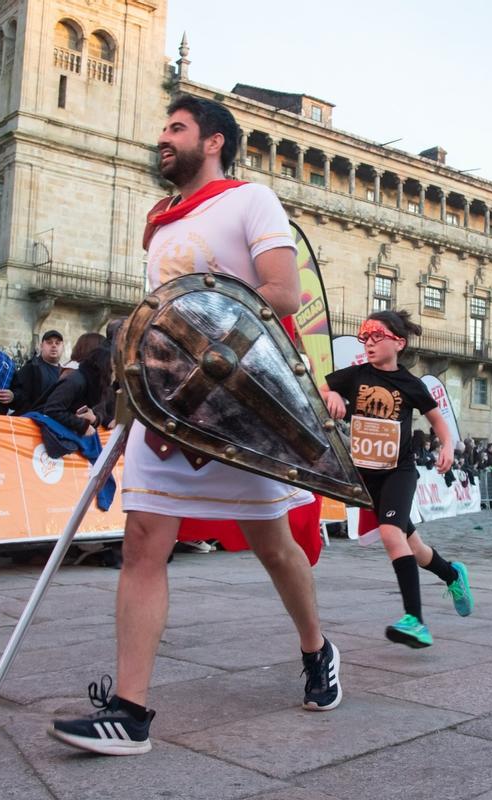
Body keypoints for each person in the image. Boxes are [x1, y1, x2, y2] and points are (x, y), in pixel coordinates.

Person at [51, 95, 340, 757]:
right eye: (162, 129)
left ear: (212, 141)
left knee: (272, 547)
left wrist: (186, 324)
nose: (163, 139)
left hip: (240, 403)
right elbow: (163, 308)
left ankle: (317, 648)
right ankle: (129, 711)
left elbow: (283, 292)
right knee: (143, 543)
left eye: (175, 129)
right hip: (167, 404)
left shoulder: (251, 201)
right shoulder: (160, 224)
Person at [323, 309, 473, 649]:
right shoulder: (355, 375)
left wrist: (447, 445)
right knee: (414, 546)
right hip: (367, 474)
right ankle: (452, 574)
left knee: (392, 534)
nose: (369, 343)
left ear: (398, 343)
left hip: (399, 471)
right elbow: (322, 386)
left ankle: (415, 621)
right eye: (365, 337)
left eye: (377, 336)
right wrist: (331, 394)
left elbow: (437, 420)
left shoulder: (410, 384)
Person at [10, 329, 63, 413]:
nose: (54, 346)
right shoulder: (31, 368)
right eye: (49, 342)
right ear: (41, 346)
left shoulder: (65, 373)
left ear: (62, 347)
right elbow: (17, 395)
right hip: (30, 420)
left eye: (57, 343)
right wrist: (13, 396)